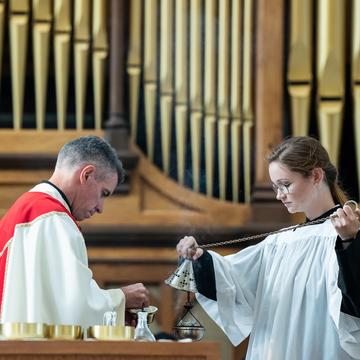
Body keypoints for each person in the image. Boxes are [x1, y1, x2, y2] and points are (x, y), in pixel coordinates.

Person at [176, 136, 360, 359]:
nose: (279, 195)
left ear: (316, 176)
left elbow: (354, 304)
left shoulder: (347, 233)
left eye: (285, 185)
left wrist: (350, 243)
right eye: (275, 187)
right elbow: (233, 280)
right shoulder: (279, 243)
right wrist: (199, 258)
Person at [0, 135, 149, 328]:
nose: (100, 208)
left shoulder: (28, 209)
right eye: (103, 194)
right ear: (86, 174)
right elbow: (74, 309)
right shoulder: (53, 219)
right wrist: (122, 298)